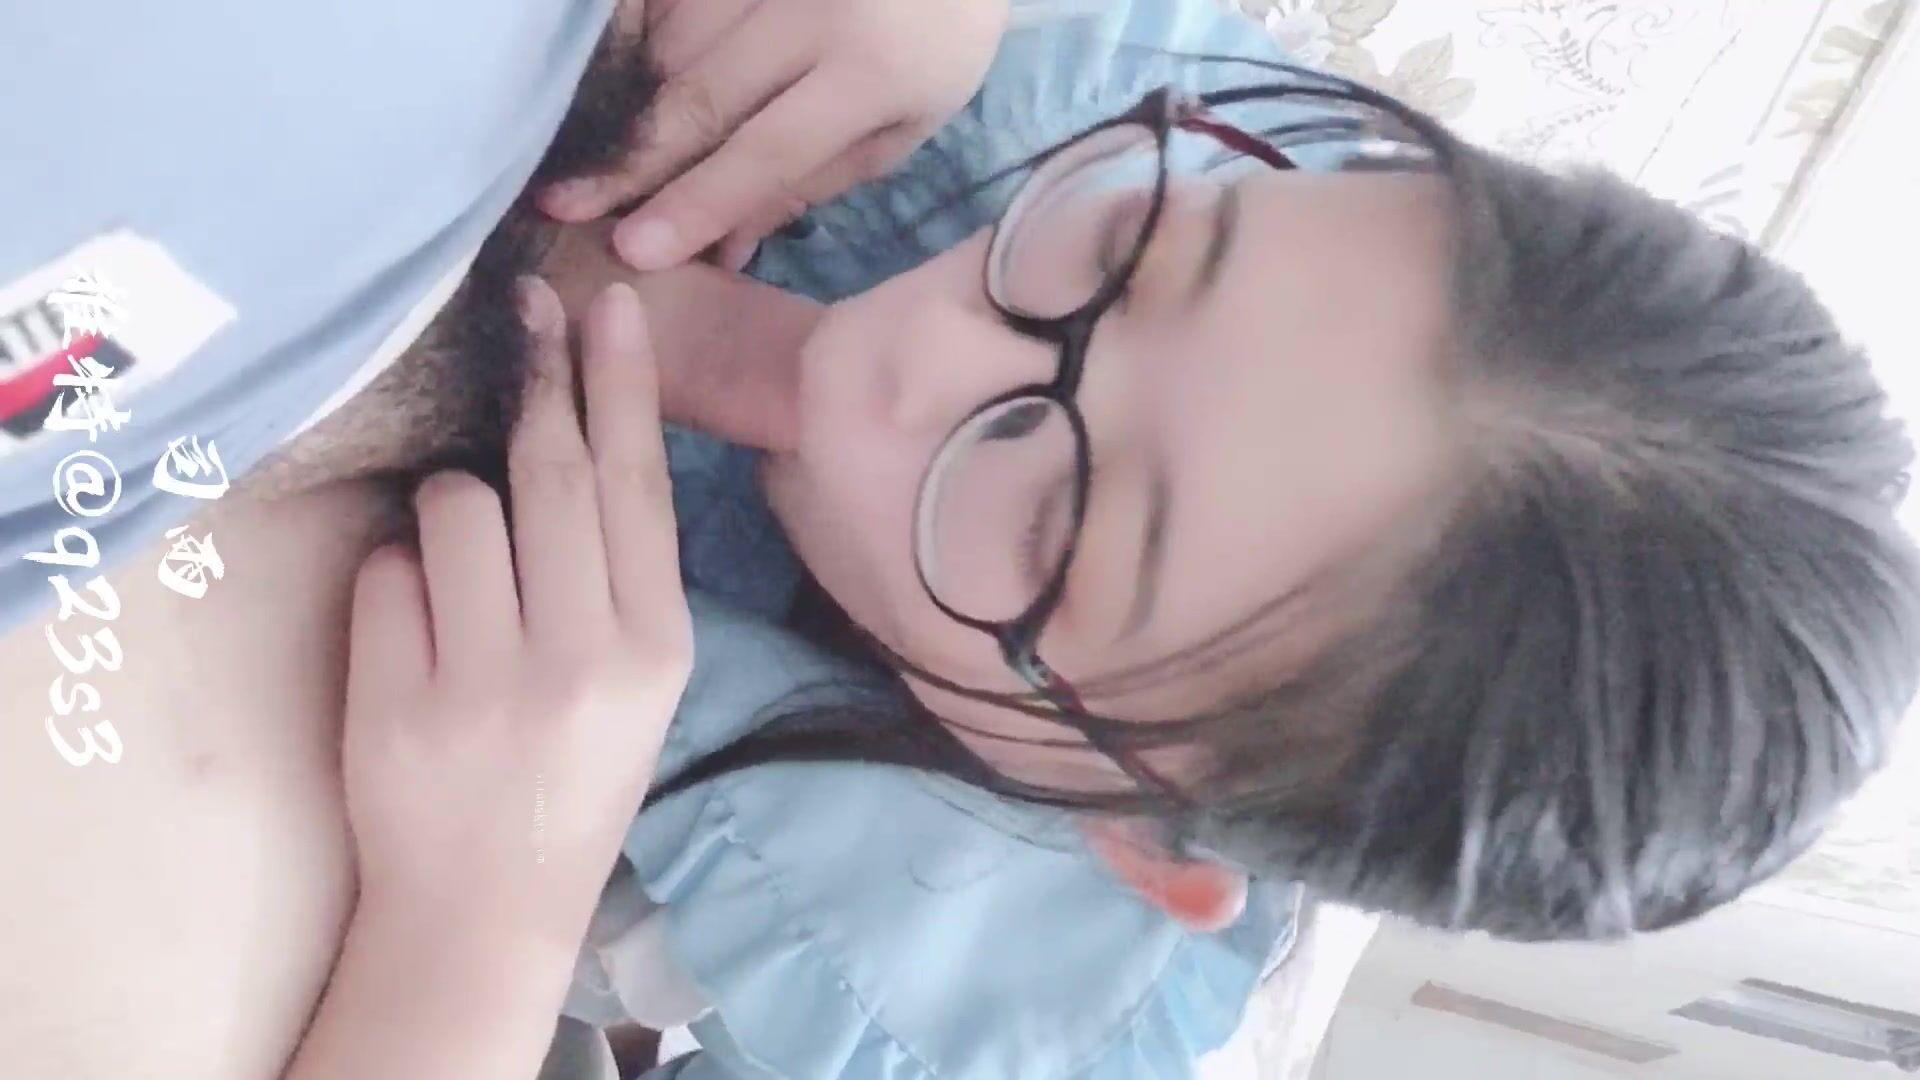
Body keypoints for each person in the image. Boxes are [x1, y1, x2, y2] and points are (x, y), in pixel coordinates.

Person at [0, 2, 1333, 1078]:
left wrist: (482, 935)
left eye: (1050, 519)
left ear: (1144, 842)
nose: (933, 351)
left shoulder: (990, 1004)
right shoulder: (1140, 116)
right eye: (1142, 249)